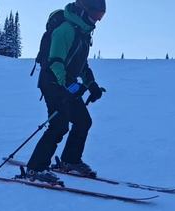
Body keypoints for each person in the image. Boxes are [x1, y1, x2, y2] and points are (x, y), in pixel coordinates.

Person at [25, 0, 107, 184]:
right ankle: (35, 168)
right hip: (52, 82)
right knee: (59, 124)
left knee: (83, 121)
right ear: (85, 10)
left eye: (101, 16)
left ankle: (70, 160)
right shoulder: (66, 30)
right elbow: (55, 62)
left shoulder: (83, 33)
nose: (98, 20)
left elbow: (82, 64)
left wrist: (91, 84)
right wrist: (68, 87)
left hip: (66, 84)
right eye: (96, 15)